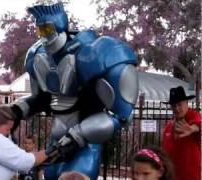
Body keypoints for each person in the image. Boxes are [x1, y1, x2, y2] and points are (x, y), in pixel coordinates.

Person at [10, 2, 138, 179]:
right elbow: (41, 99)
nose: (44, 36)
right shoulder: (37, 56)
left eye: (47, 29)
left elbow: (121, 116)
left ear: (59, 27)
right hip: (57, 141)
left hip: (85, 143)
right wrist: (15, 111)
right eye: (40, 30)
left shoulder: (92, 53)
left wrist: (79, 135)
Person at [162, 86, 201, 180]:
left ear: (187, 103)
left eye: (179, 104)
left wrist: (192, 128)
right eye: (174, 105)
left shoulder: (193, 115)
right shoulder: (168, 126)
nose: (177, 108)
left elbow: (199, 124)